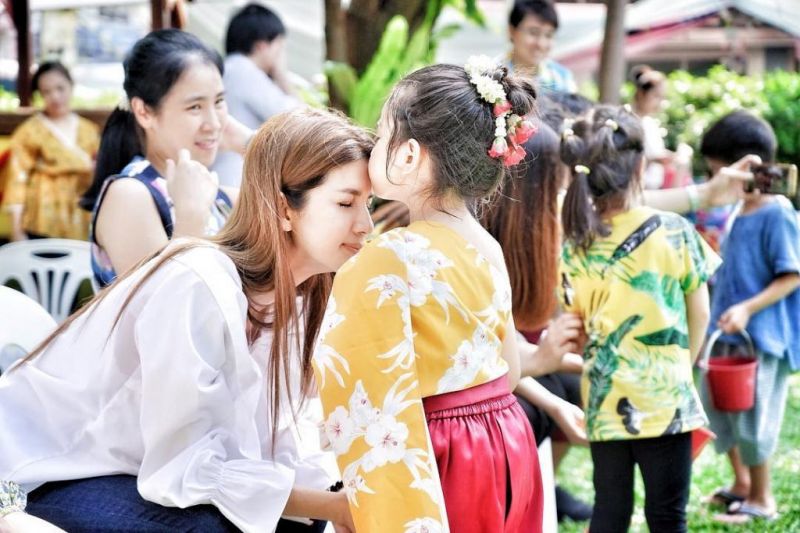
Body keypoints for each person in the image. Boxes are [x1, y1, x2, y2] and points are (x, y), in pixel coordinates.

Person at [0, 107, 374, 532]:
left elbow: (273, 446)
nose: (365, 225)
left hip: (133, 469)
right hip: (47, 473)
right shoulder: (198, 281)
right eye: (346, 203)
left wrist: (336, 500)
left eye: (368, 204)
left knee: (295, 522)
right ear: (283, 209)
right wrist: (332, 507)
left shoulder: (301, 299)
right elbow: (182, 470)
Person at [313, 57, 542, 532]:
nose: (373, 144)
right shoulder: (487, 246)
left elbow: (360, 389)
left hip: (439, 451)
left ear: (409, 155)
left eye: (382, 133)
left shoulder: (389, 255)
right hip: (505, 435)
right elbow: (511, 370)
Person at [558, 105, 720, 532]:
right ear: (641, 167)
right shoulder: (673, 230)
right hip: (665, 396)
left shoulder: (576, 244)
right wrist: (682, 368)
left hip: (604, 398)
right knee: (667, 516)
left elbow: (575, 328)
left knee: (609, 511)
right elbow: (701, 311)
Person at [481, 121, 592, 523]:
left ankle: (548, 486)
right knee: (542, 405)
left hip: (516, 363)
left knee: (572, 387)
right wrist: (556, 402)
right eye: (557, 180)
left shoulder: (538, 234)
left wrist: (583, 363)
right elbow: (491, 357)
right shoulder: (479, 246)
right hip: (488, 379)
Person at [81, 29, 250, 288]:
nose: (214, 123)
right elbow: (157, 305)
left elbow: (295, 202)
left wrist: (249, 143)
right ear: (144, 112)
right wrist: (190, 220)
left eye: (218, 102)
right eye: (195, 107)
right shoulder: (130, 195)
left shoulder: (212, 193)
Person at [698, 111, 800, 524]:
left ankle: (762, 498)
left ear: (747, 167)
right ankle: (741, 484)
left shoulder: (777, 213)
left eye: (717, 171)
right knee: (720, 410)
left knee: (755, 418)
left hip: (761, 337)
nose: (715, 180)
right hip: (725, 333)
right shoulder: (738, 207)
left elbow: (792, 274)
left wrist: (746, 308)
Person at [1, 61, 99, 240]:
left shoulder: (89, 130)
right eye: (46, 91)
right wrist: (16, 230)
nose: (55, 96)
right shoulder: (29, 131)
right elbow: (17, 179)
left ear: (71, 86)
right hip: (40, 219)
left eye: (60, 88)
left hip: (81, 218)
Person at [213, 3, 301, 187]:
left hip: (223, 174)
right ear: (262, 46)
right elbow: (300, 120)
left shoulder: (228, 68)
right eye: (279, 47)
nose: (281, 55)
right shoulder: (244, 72)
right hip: (235, 179)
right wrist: (282, 75)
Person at [507, 0, 577, 94]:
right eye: (533, 32)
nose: (541, 44)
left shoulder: (562, 80)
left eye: (548, 35)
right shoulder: (492, 78)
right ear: (512, 31)